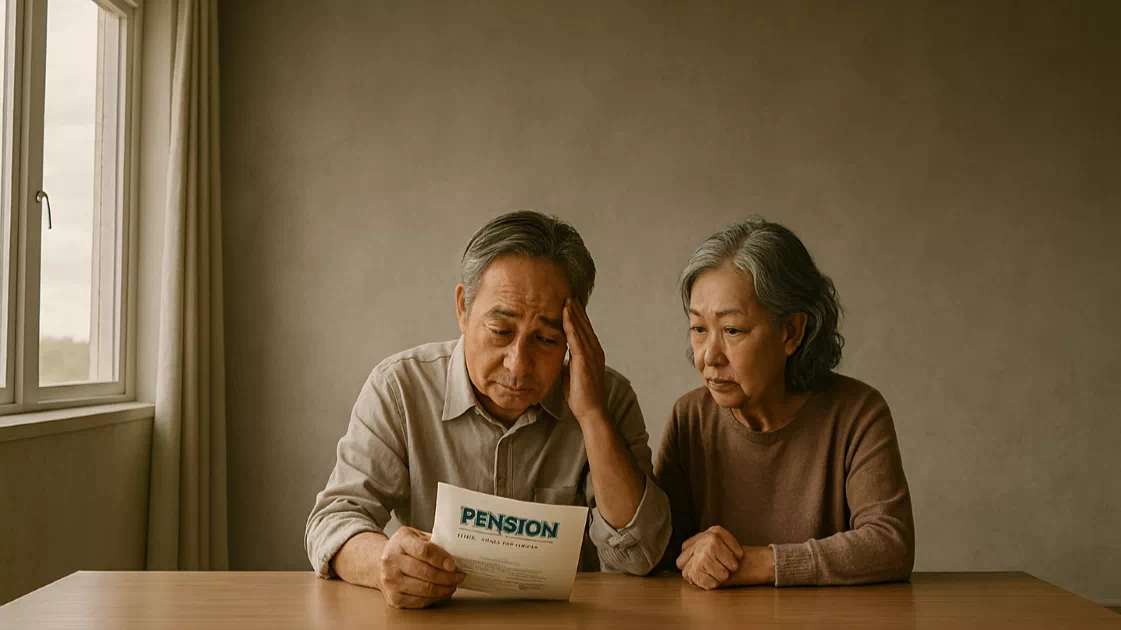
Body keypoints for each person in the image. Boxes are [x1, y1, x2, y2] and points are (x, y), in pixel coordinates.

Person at [306, 210, 671, 609]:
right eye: (501, 332)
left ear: (574, 334)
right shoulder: (400, 389)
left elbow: (640, 556)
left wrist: (591, 415)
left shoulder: (607, 398)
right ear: (463, 308)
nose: (518, 364)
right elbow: (333, 521)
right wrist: (382, 564)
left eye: (546, 339)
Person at [654, 217, 914, 589]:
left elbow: (890, 545)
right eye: (698, 329)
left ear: (791, 332)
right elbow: (660, 550)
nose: (709, 357)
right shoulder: (690, 417)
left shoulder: (858, 413)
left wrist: (764, 562)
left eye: (732, 330)